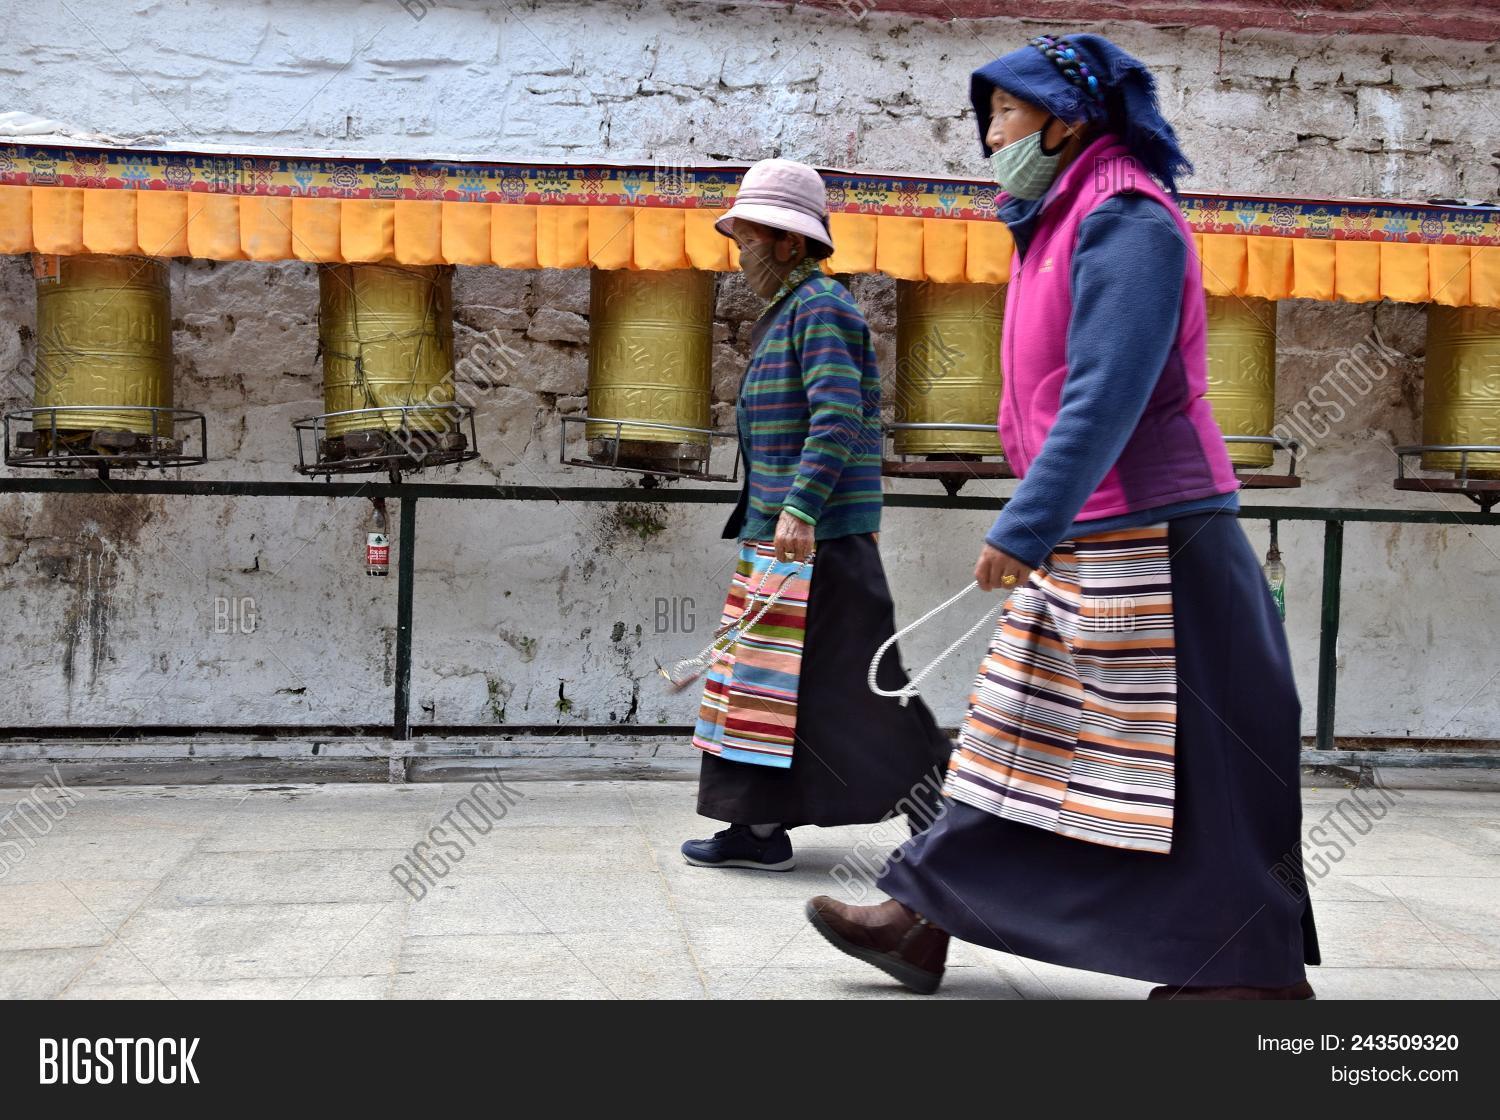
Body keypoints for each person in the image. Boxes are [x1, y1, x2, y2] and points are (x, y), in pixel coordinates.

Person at [805, 34, 1321, 998]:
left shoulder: (1128, 219)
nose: (990, 136)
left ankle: (1246, 971)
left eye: (1005, 113)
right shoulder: (1059, 218)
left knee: (1198, 755)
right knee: (1020, 731)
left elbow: (1107, 390)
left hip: (1160, 533)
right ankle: (920, 917)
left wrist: (1026, 522)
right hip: (1092, 529)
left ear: (1067, 119)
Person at [679, 158, 952, 872]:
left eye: (749, 240)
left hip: (818, 537)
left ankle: (945, 815)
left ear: (791, 243)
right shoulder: (786, 312)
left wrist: (800, 508)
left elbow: (836, 416)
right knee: (768, 682)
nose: (740, 255)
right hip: (782, 535)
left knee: (850, 686)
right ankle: (757, 829)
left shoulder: (822, 307)